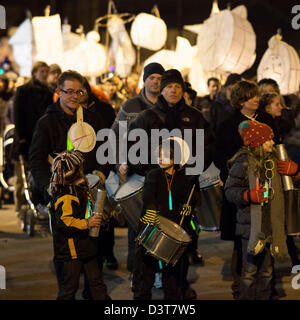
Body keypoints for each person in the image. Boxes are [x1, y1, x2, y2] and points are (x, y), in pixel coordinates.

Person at [214, 80, 277, 299]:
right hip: (241, 189)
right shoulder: (228, 123)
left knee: (267, 244)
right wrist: (235, 178)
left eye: (256, 95)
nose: (256, 99)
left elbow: (276, 148)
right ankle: (241, 287)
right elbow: (220, 154)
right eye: (251, 96)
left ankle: (266, 289)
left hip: (266, 191)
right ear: (241, 100)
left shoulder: (266, 120)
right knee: (243, 243)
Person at [225, 120, 292, 300]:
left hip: (271, 226)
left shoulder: (275, 160)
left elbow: (290, 188)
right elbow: (230, 191)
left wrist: (295, 173)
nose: (273, 143)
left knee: (267, 271)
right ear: (257, 142)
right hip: (251, 227)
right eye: (268, 140)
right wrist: (248, 196)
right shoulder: (243, 163)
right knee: (249, 271)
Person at [111, 62, 165, 280]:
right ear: (145, 80)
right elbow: (114, 136)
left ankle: (160, 270)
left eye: (160, 78)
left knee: (160, 220)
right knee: (138, 220)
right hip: (136, 171)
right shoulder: (130, 106)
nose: (156, 82)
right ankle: (137, 270)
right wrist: (119, 162)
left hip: (162, 172)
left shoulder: (166, 106)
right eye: (152, 77)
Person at [132, 141, 199, 300]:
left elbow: (189, 200)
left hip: (174, 228)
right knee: (146, 273)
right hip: (153, 226)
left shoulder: (183, 178)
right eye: (159, 155)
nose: (161, 158)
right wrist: (151, 210)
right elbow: (148, 197)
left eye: (167, 155)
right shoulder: (153, 175)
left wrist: (187, 208)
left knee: (172, 277)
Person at [48, 149, 111, 300]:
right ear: (74, 172)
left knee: (97, 285)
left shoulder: (78, 190)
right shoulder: (67, 195)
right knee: (69, 288)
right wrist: (87, 223)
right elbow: (65, 222)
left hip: (85, 246)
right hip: (72, 251)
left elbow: (85, 210)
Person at [11, 61, 53, 216]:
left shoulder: (49, 91)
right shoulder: (23, 90)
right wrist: (20, 137)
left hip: (41, 138)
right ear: (34, 72)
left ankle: (39, 201)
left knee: (39, 170)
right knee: (22, 176)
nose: (44, 74)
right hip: (25, 138)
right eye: (42, 71)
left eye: (46, 71)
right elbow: (17, 115)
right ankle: (20, 205)